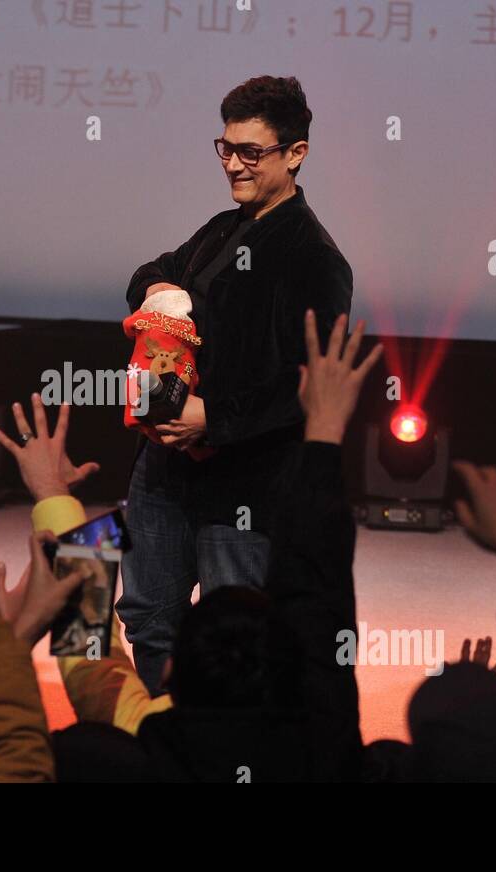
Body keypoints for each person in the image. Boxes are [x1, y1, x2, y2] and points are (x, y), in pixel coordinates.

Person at [117, 76, 354, 694]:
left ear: (295, 153)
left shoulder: (315, 257)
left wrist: (212, 417)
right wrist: (155, 291)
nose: (233, 164)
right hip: (164, 465)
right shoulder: (222, 228)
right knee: (147, 615)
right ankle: (164, 737)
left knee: (237, 635)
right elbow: (156, 269)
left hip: (247, 478)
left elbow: (308, 381)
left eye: (251, 152)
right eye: (225, 148)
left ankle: (228, 754)